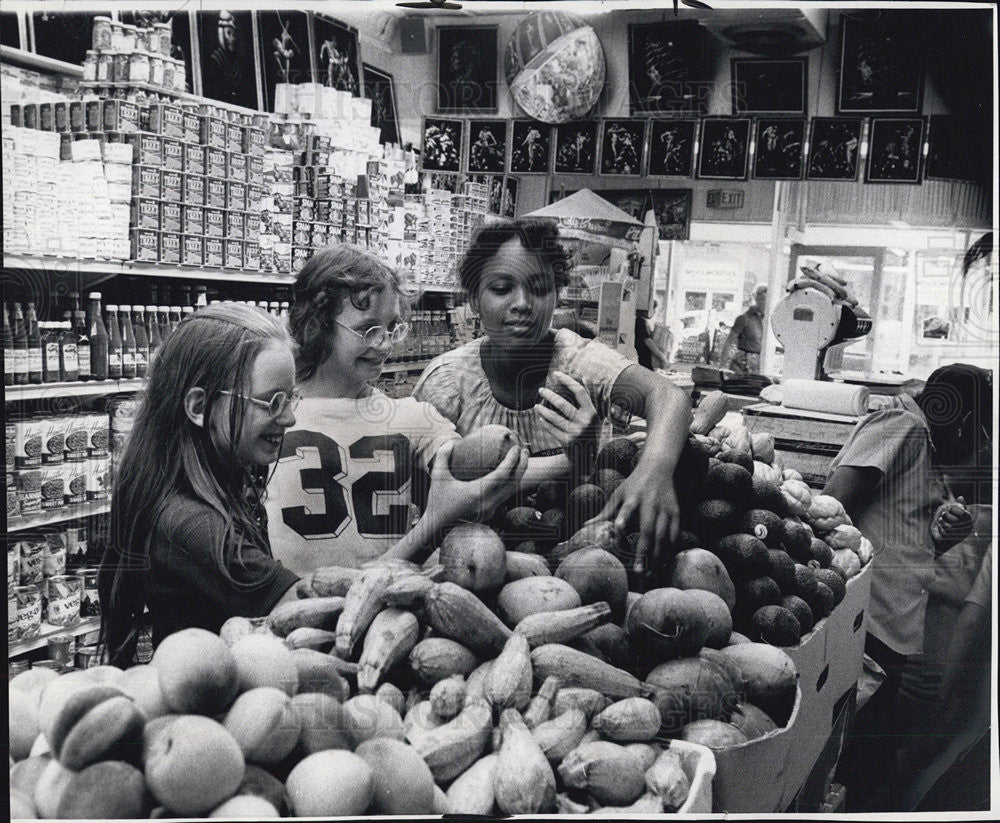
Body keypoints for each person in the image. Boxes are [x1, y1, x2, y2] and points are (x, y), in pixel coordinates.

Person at [413, 219, 693, 572]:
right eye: (501, 288)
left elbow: (668, 397)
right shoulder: (447, 383)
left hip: (580, 565)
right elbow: (432, 495)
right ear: (474, 300)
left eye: (540, 289)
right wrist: (576, 459)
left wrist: (654, 467)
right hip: (469, 566)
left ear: (557, 295)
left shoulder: (578, 361)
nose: (523, 304)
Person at [267, 245, 527, 575]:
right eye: (367, 329)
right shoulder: (271, 417)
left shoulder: (412, 417)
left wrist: (572, 455)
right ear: (317, 324)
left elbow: (475, 464)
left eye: (392, 327)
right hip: (286, 608)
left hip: (387, 608)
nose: (386, 344)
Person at [824, 362, 991, 812]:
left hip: (886, 643)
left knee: (865, 769)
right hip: (865, 633)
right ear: (960, 422)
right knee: (850, 770)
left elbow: (896, 540)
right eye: (979, 434)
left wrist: (937, 542)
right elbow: (832, 508)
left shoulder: (928, 454)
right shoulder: (903, 425)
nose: (978, 448)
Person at [98, 304, 302, 667]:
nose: (289, 416)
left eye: (290, 398)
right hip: (210, 709)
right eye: (272, 402)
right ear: (198, 406)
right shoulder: (191, 525)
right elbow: (312, 615)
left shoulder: (224, 482)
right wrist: (433, 520)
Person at [720, 284, 767, 375]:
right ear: (756, 299)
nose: (764, 303)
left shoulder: (770, 321)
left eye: (767, 300)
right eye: (762, 299)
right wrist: (722, 366)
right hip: (742, 367)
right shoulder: (744, 319)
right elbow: (729, 342)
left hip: (761, 366)